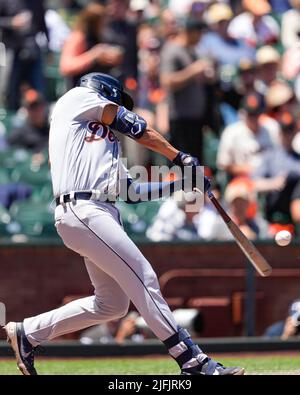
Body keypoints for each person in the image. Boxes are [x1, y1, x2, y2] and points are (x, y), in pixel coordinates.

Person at [5, 72, 244, 376]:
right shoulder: (76, 99)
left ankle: (29, 333)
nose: (118, 105)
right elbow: (135, 125)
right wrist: (177, 155)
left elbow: (130, 193)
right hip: (84, 208)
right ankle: (192, 361)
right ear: (105, 91)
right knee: (145, 278)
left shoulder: (101, 143)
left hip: (96, 212)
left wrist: (184, 182)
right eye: (117, 100)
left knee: (112, 304)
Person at [160, 17, 214, 162]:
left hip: (195, 118)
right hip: (180, 118)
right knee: (183, 165)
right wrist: (193, 71)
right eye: (199, 33)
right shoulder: (172, 50)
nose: (201, 37)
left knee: (195, 165)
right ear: (190, 32)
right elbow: (167, 81)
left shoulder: (192, 52)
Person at [60, 3, 124, 89]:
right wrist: (93, 56)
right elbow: (66, 67)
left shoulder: (98, 37)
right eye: (103, 22)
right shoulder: (79, 37)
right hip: (80, 90)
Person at [217, 92, 278, 178]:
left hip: (270, 177)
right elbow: (223, 164)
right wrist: (245, 169)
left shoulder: (271, 127)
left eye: (256, 114)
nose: (254, 118)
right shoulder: (232, 132)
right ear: (243, 113)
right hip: (243, 179)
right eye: (251, 114)